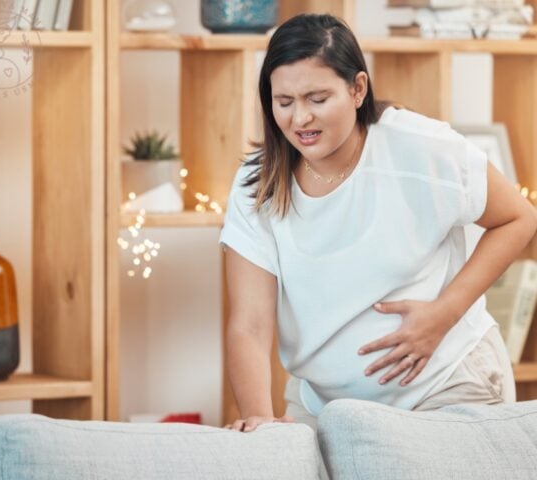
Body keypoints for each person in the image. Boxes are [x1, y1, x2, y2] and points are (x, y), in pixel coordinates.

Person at [219, 11, 537, 442]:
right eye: (284, 102)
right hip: (322, 403)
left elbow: (519, 217)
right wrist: (259, 418)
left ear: (357, 88)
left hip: (444, 383)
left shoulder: (417, 147)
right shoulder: (257, 183)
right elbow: (249, 324)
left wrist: (444, 314)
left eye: (317, 98)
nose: (300, 120)